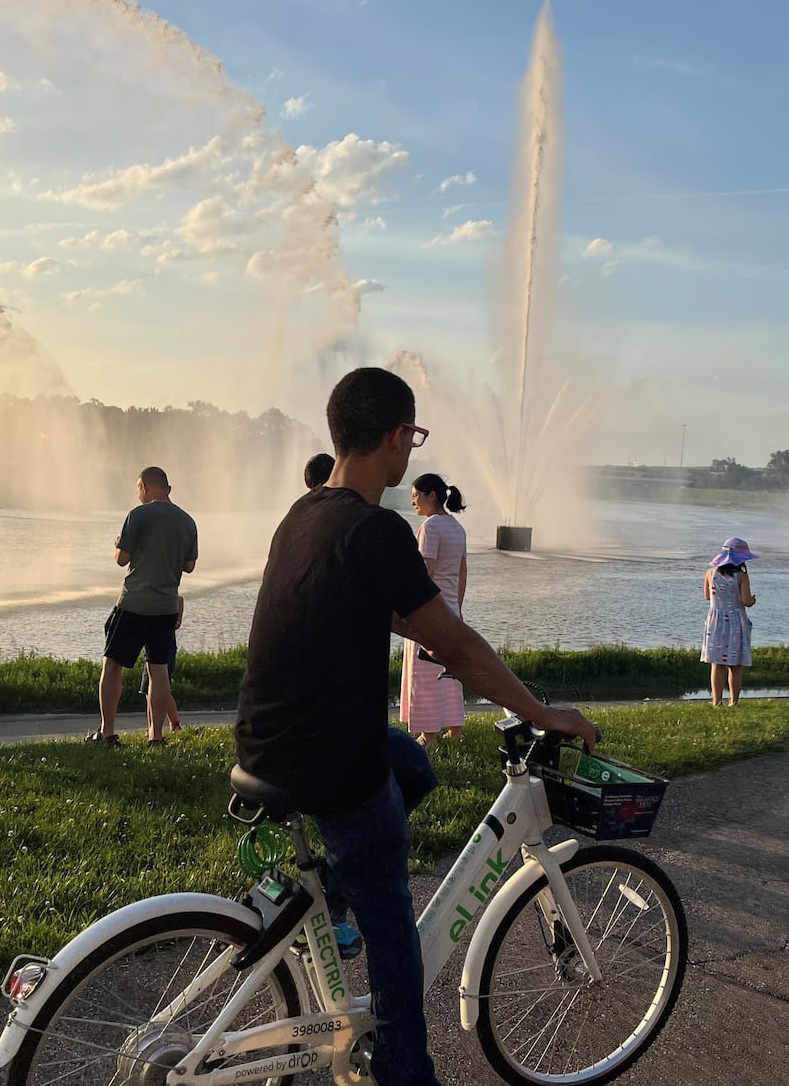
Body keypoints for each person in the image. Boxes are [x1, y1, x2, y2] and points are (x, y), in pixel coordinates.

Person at [235, 366, 597, 1084]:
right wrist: (540, 711)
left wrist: (418, 630)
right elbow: (457, 642)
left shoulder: (305, 512)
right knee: (396, 934)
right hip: (330, 766)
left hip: (268, 742)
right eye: (415, 437)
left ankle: (331, 886)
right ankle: (404, 1071)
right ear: (400, 438)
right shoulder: (380, 527)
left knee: (414, 764)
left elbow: (387, 608)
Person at [89, 467, 198, 747]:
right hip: (165, 606)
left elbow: (121, 560)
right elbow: (189, 566)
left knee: (112, 664)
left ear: (145, 487)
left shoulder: (137, 516)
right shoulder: (188, 521)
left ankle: (107, 732)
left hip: (134, 602)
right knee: (158, 669)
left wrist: (118, 544)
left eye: (138, 489)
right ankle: (156, 736)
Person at [400, 473, 469, 749]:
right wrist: (458, 608)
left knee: (424, 671)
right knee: (449, 670)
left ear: (432, 496)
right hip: (451, 607)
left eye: (416, 495)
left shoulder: (430, 527)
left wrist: (410, 606)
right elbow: (461, 572)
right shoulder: (456, 528)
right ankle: (455, 729)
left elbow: (425, 571)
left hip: (429, 608)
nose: (413, 501)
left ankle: (428, 736)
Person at [702, 537, 758, 706]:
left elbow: (706, 596)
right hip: (735, 623)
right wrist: (753, 600)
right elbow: (745, 600)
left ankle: (716, 701)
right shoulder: (741, 576)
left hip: (716, 622)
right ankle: (734, 702)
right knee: (735, 665)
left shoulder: (710, 573)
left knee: (717, 664)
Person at [140, 596, 185, 734]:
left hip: (163, 649)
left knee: (154, 688)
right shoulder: (173, 600)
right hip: (161, 648)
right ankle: (160, 726)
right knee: (152, 689)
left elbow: (176, 623)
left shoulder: (168, 600)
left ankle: (165, 725)